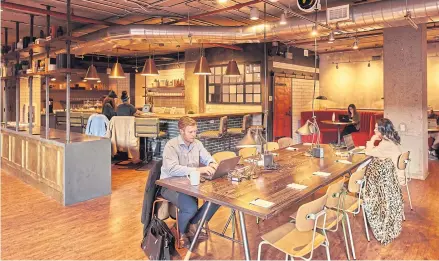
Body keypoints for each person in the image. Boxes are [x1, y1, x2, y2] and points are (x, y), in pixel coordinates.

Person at [160, 116, 220, 248]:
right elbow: (172, 169)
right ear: (181, 131)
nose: (194, 135)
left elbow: (207, 157)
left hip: (189, 184)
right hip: (170, 185)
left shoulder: (197, 144)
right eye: (190, 132)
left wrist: (211, 163)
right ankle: (182, 232)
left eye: (195, 131)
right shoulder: (171, 145)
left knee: (217, 199)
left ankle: (193, 225)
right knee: (190, 208)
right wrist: (199, 169)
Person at [363, 118, 404, 245]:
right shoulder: (390, 140)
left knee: (365, 174)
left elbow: (368, 151)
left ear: (382, 130)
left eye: (376, 128)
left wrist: (372, 139)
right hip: (393, 176)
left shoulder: (386, 144)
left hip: (390, 181)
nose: (374, 130)